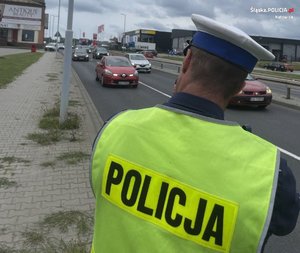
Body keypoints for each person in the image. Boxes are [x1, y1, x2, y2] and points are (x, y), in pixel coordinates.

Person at [89, 14, 299, 253]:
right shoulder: (272, 174)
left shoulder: (115, 129)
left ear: (186, 61)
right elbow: (284, 222)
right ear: (240, 87)